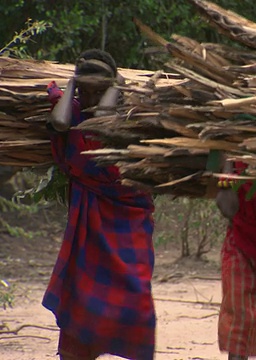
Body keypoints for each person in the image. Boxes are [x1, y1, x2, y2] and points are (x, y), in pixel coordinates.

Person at [42, 49, 156, 360]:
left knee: (135, 299)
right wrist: (72, 83)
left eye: (99, 90)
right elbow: (60, 122)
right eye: (85, 91)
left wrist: (116, 87)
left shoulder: (131, 120)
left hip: (128, 227)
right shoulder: (71, 112)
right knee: (81, 306)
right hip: (88, 233)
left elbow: (103, 122)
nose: (91, 98)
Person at [215, 159, 256, 360]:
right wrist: (227, 166)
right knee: (238, 327)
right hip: (241, 245)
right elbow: (228, 208)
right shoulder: (238, 162)